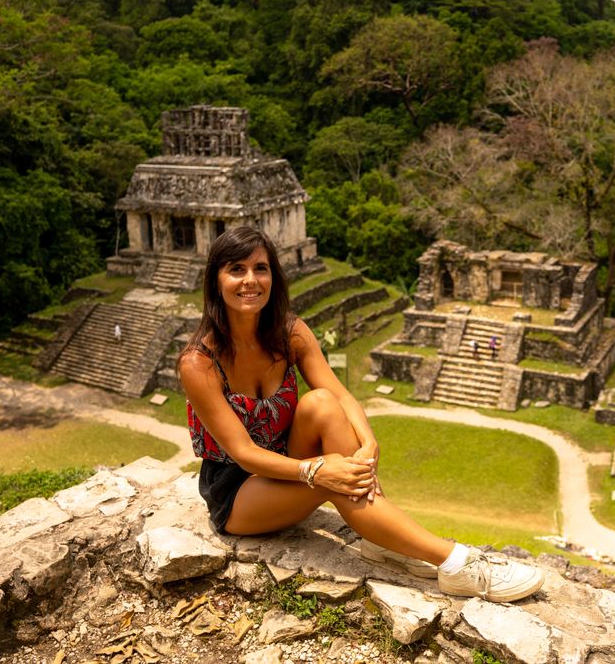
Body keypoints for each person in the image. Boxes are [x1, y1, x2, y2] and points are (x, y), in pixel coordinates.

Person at [178, 227, 542, 603]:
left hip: (289, 460)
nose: (250, 280)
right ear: (216, 280)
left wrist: (368, 442)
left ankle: (382, 537)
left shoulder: (289, 331)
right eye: (236, 269)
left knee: (321, 403)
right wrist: (319, 469)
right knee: (336, 479)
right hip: (238, 492)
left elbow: (339, 395)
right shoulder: (199, 362)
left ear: (274, 276)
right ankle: (455, 564)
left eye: (260, 268)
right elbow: (243, 453)